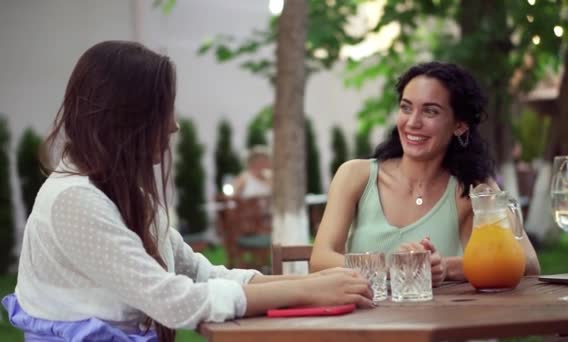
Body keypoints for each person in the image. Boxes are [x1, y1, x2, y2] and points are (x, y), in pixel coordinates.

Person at [1, 41, 372, 342]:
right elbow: (173, 301)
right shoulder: (74, 199)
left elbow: (198, 272)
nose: (175, 125)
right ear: (126, 117)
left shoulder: (124, 193)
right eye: (163, 109)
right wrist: (308, 292)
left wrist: (312, 281)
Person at [310, 61, 540, 286]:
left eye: (430, 111)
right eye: (406, 107)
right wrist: (396, 267)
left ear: (459, 125)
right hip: (364, 320)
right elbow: (320, 260)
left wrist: (446, 268)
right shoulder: (355, 175)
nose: (412, 122)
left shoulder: (470, 187)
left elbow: (528, 263)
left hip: (437, 322)